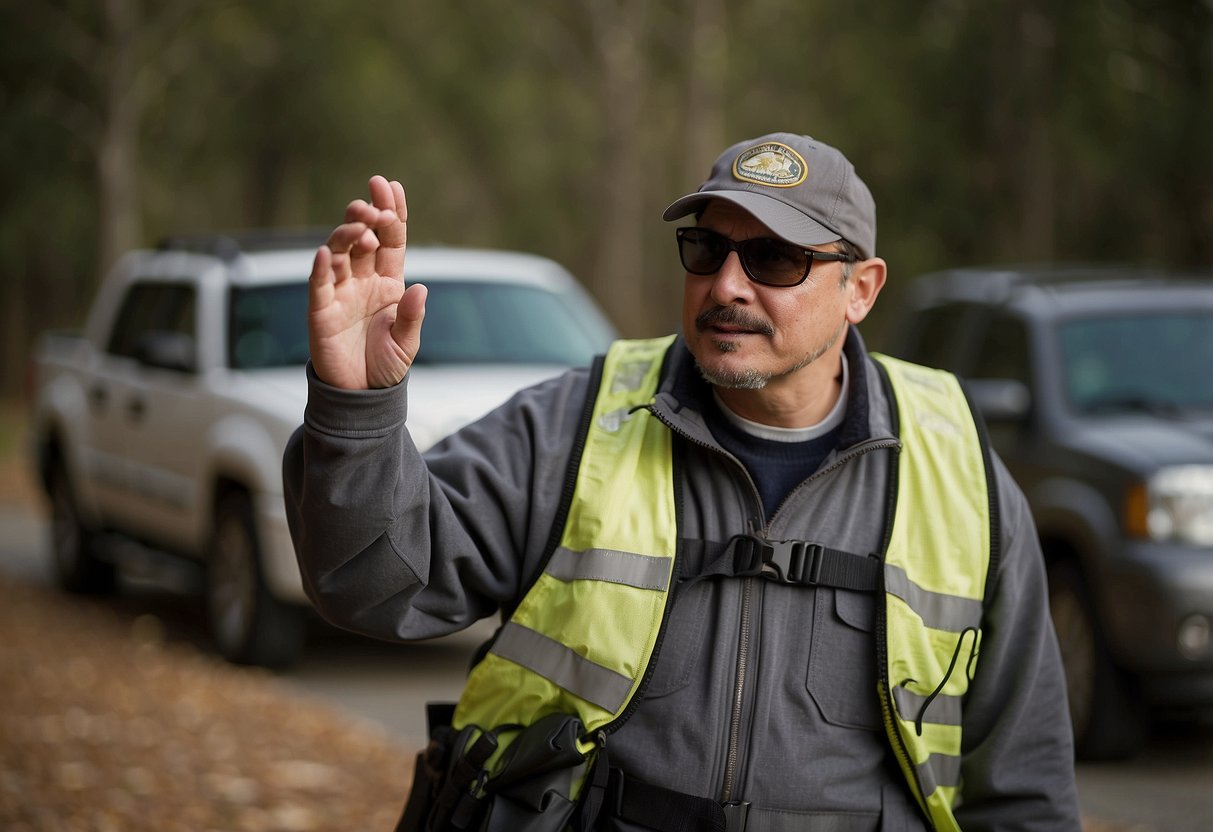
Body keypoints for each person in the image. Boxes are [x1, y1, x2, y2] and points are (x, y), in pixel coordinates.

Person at [284, 131, 1081, 832]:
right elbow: (375, 583)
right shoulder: (579, 422)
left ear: (860, 290)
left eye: (774, 257)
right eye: (707, 249)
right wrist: (357, 407)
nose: (727, 284)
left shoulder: (955, 465)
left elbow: (1022, 785)